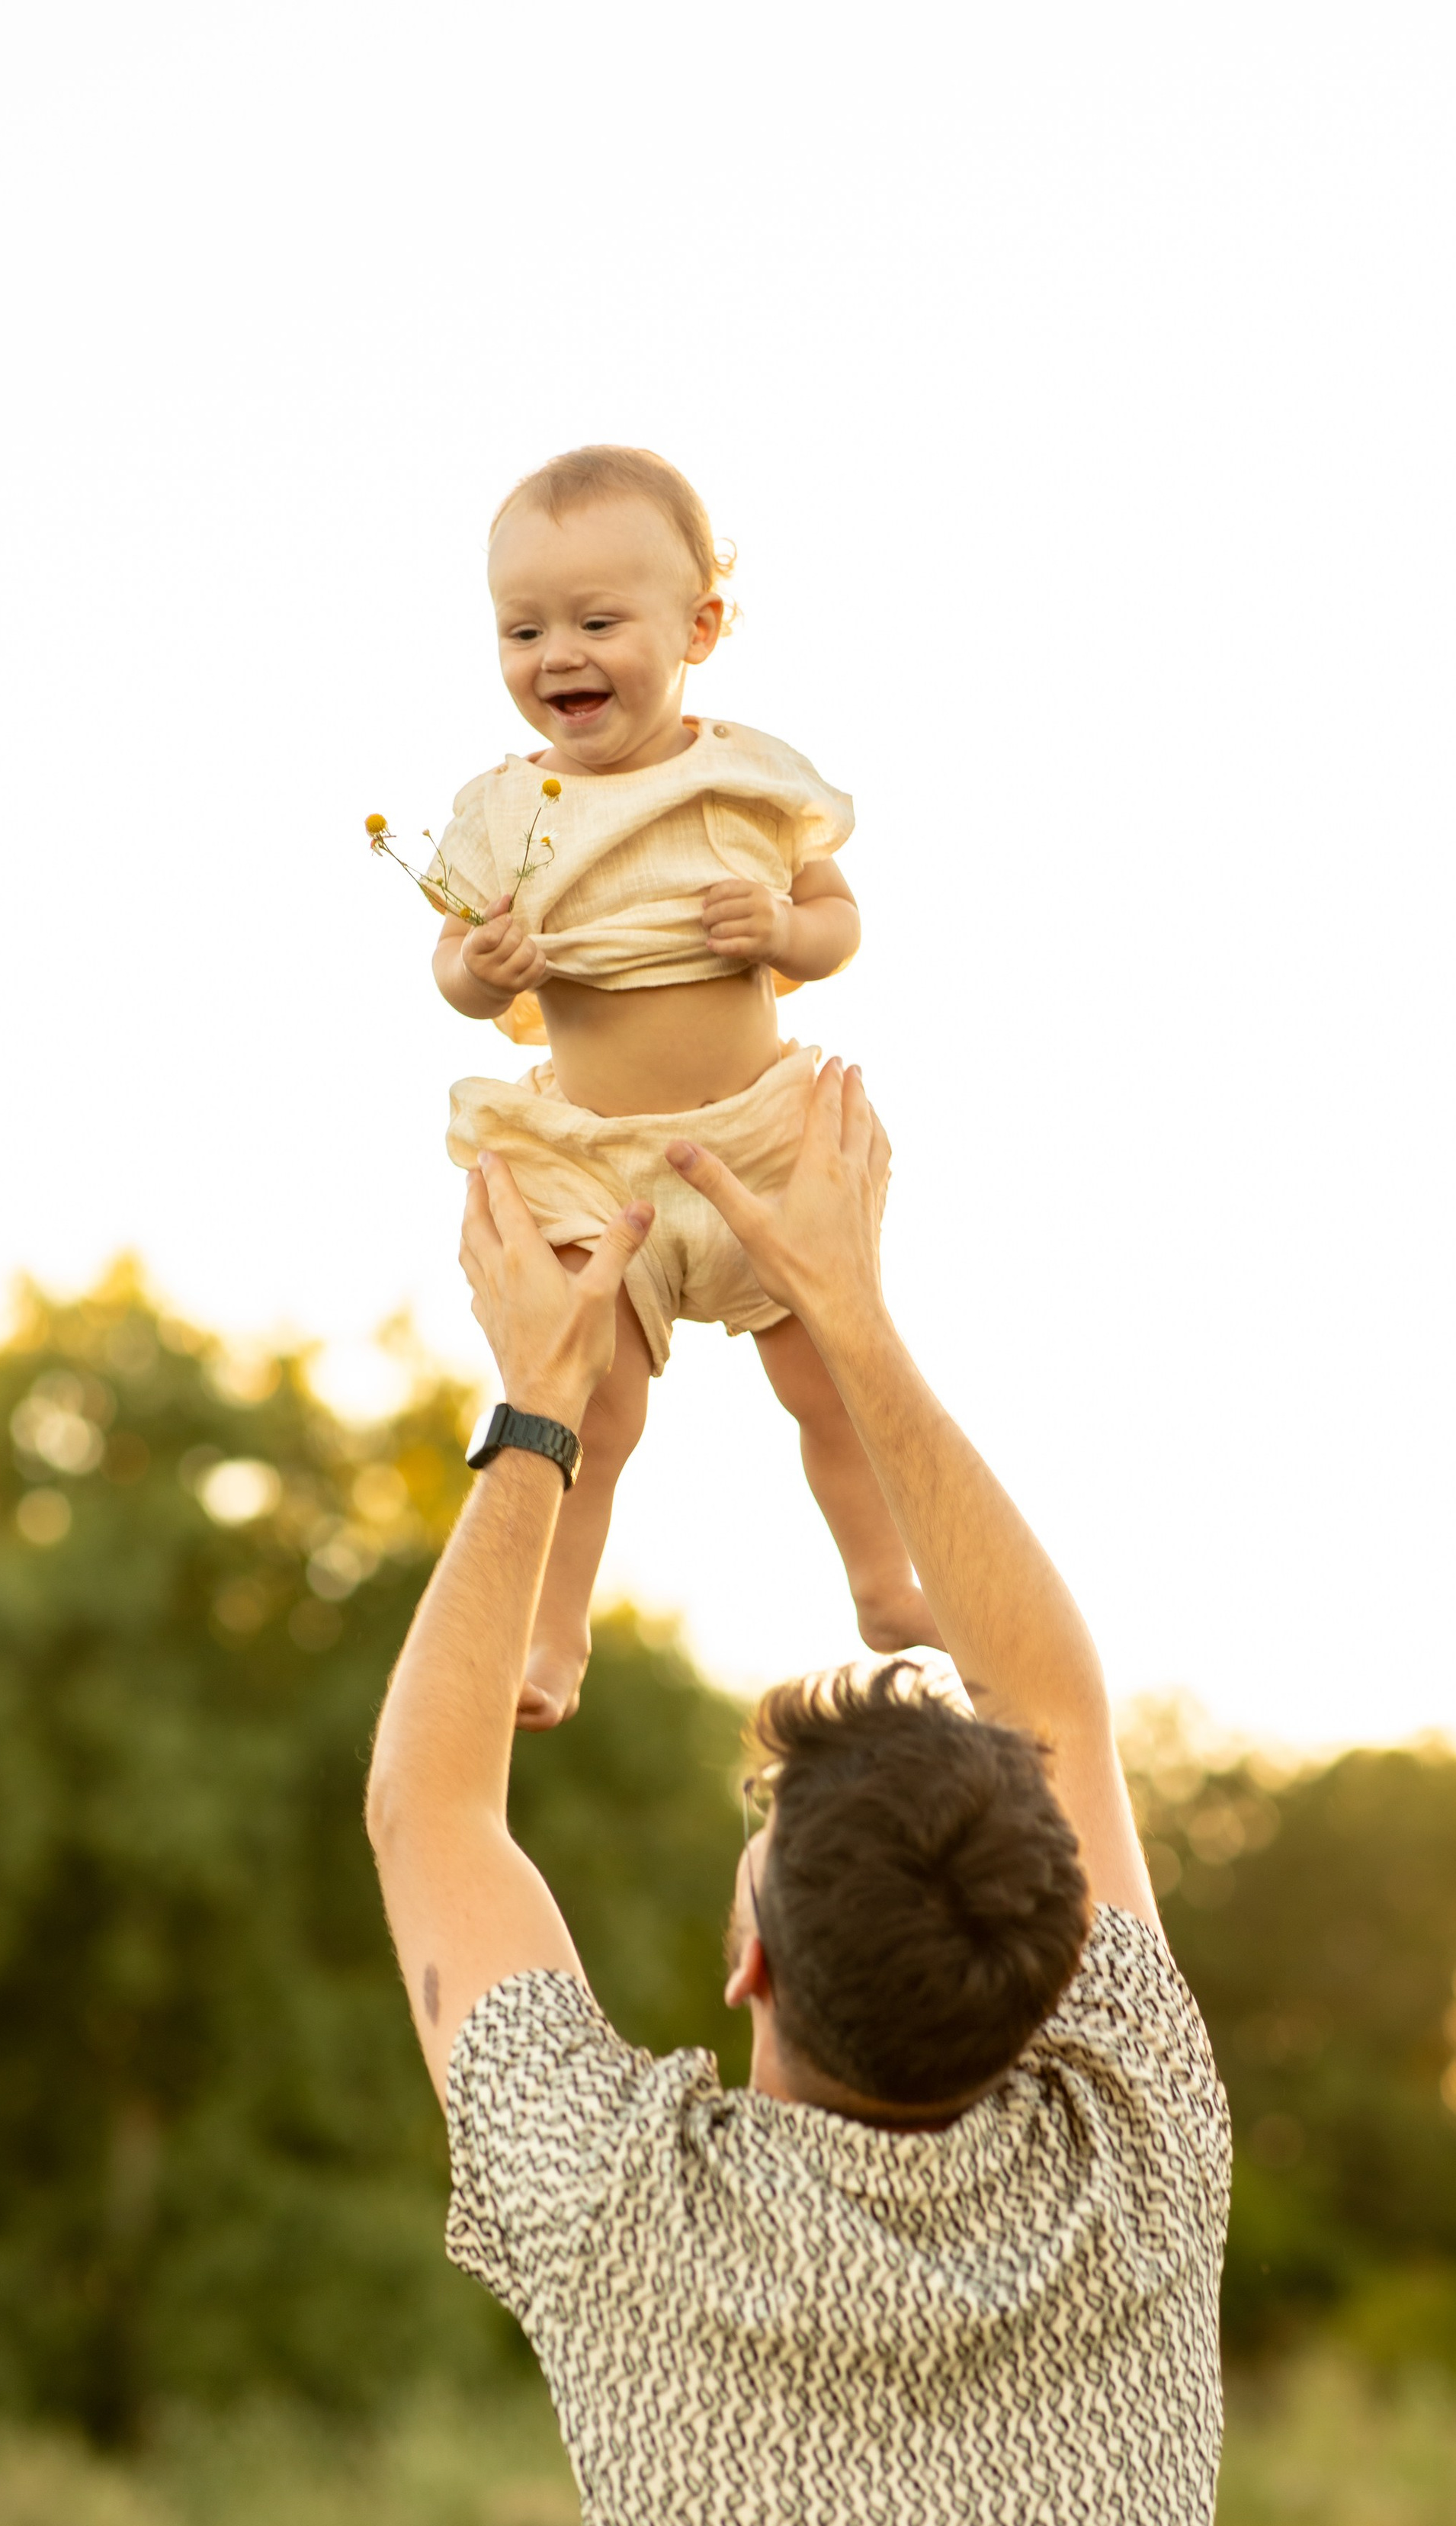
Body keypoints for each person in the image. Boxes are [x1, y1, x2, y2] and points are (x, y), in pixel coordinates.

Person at [365, 1058, 1268, 2526]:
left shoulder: (620, 2220)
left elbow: (428, 1807)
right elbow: (1056, 1701)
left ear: (749, 1960)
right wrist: (839, 1323)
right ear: (1056, 1966)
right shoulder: (1146, 2143)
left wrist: (550, 1396)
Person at [419, 441, 935, 1728]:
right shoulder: (505, 811)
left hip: (752, 1140)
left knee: (830, 1379)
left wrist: (784, 930)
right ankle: (553, 1636)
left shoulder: (749, 779)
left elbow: (837, 922)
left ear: (699, 627)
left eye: (599, 623)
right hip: (598, 1163)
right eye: (523, 629)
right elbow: (453, 970)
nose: (558, 655)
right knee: (589, 1408)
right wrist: (481, 968)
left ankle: (885, 1584)